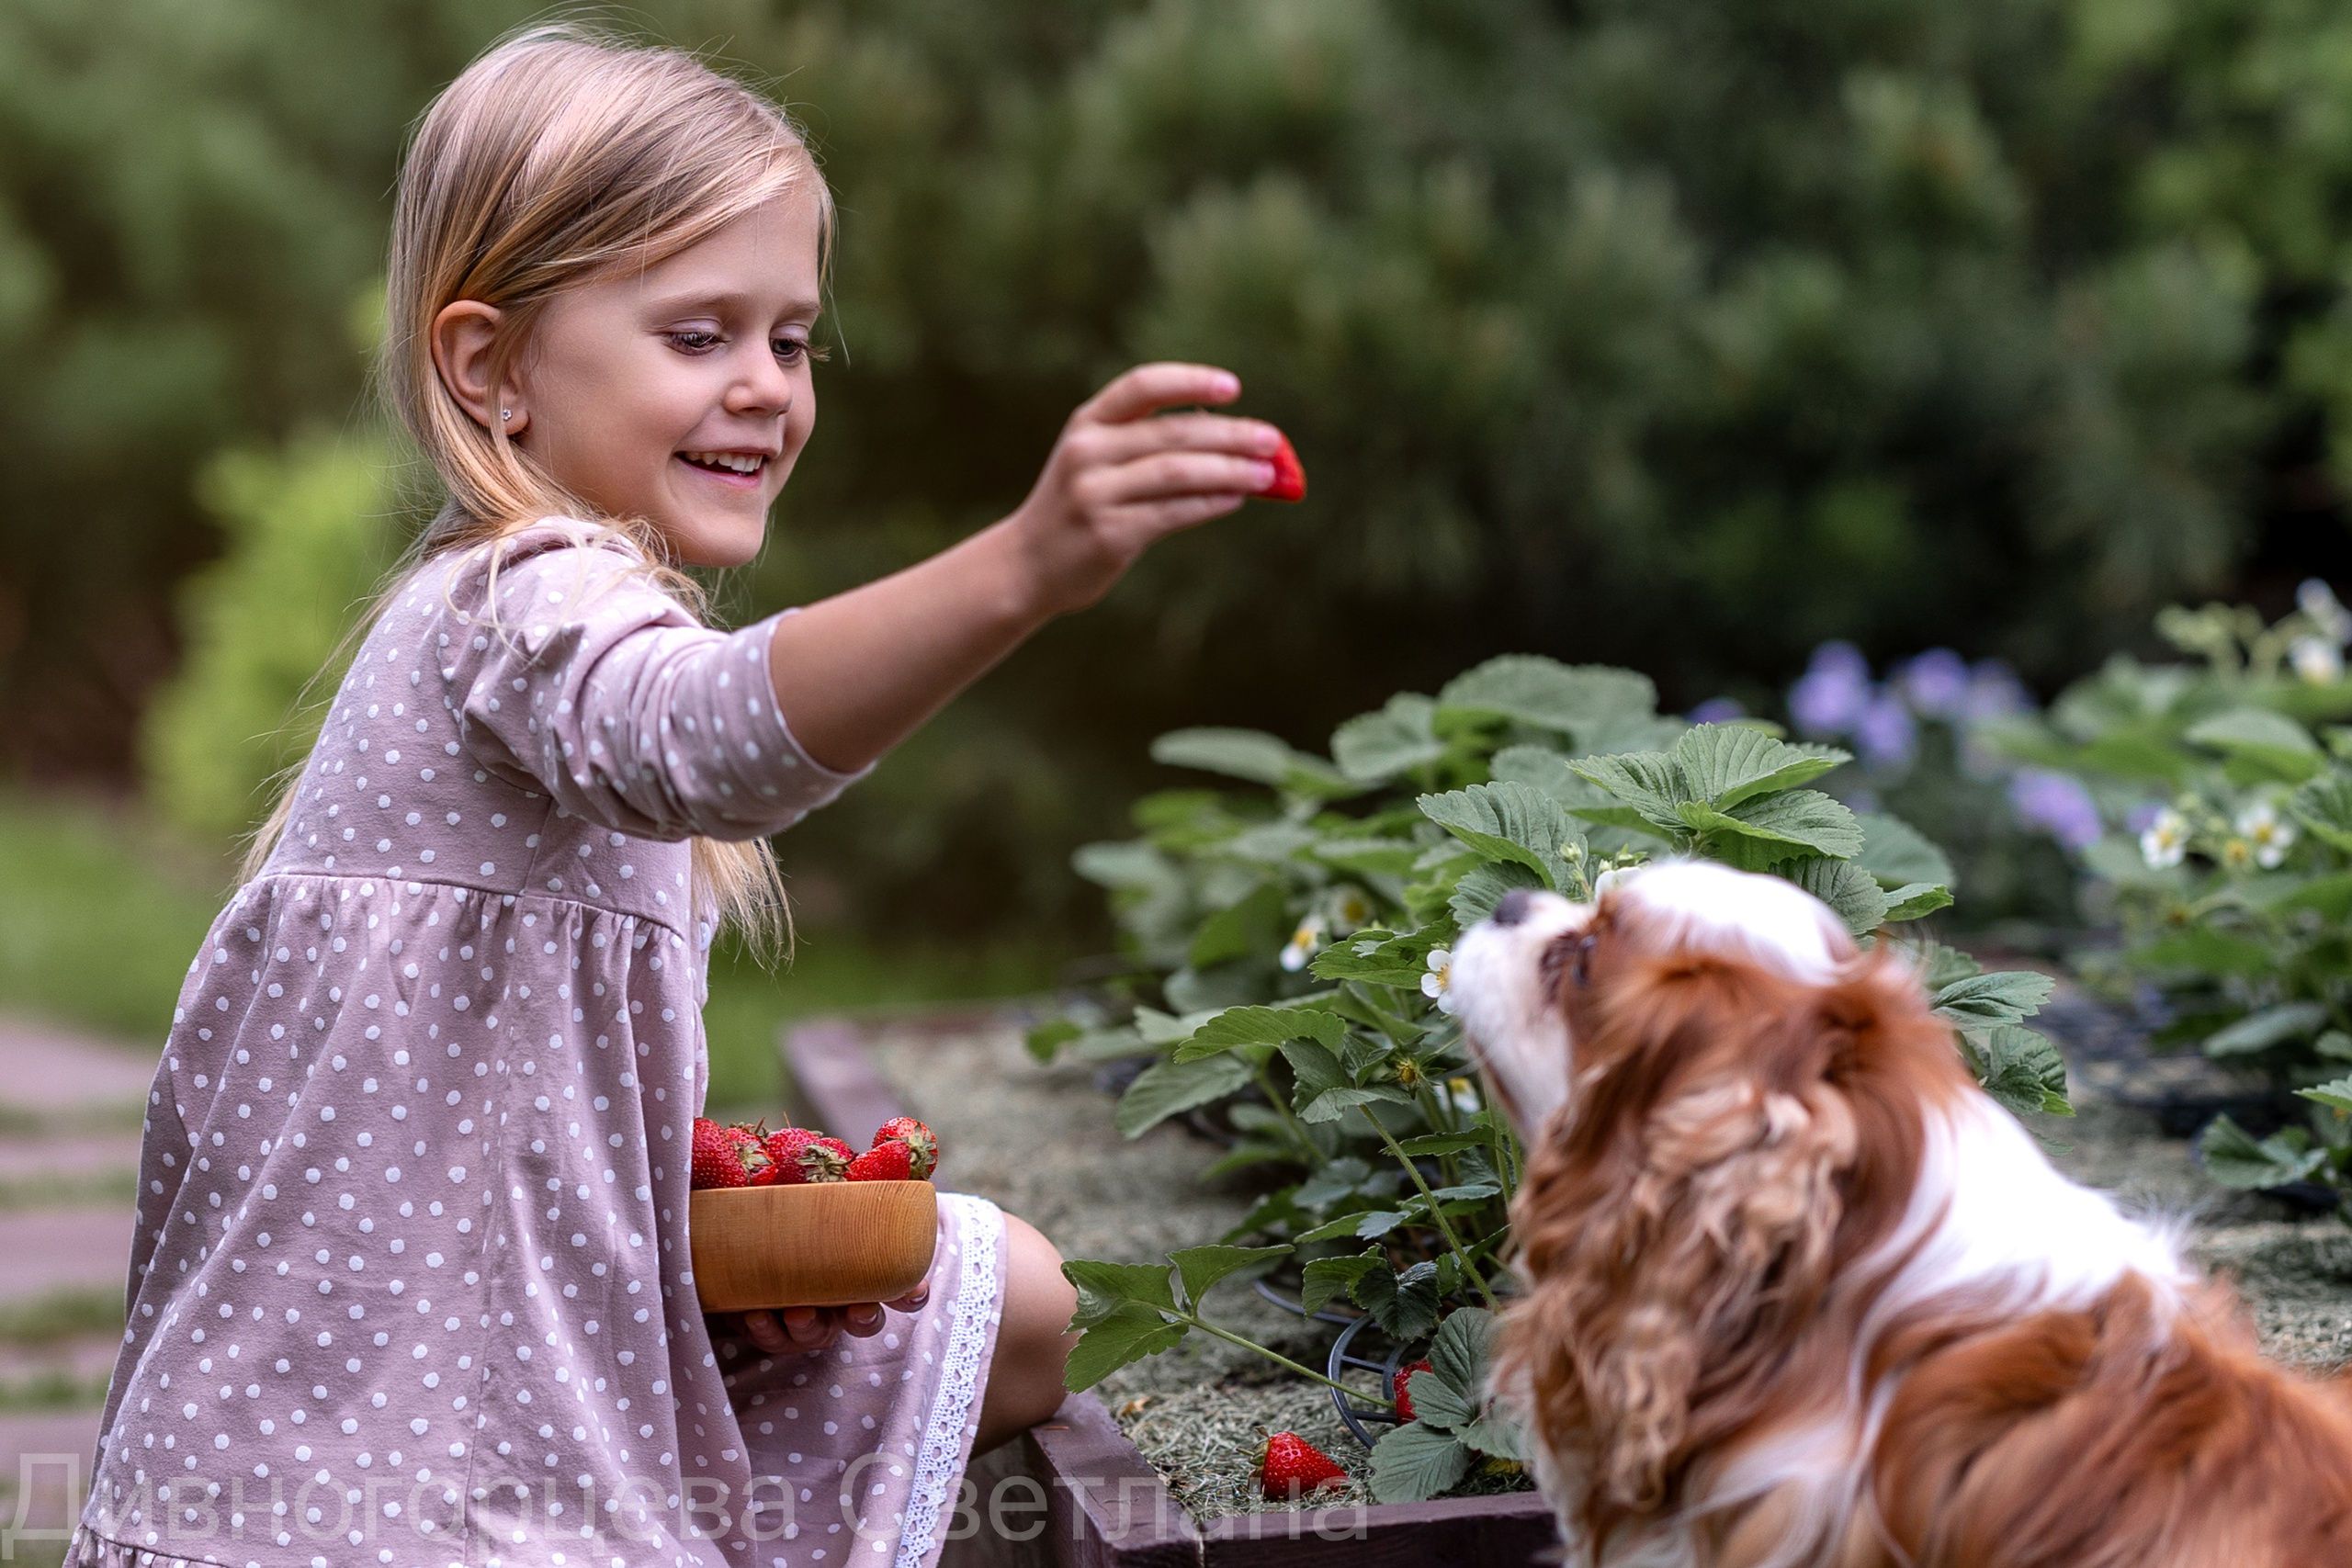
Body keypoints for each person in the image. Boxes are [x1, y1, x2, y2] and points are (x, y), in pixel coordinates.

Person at [68, 26, 1288, 1568]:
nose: (766, 390)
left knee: (1013, 1300)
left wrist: (707, 1249)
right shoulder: (519, 599)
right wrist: (1021, 569)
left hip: (476, 1388)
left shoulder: (528, 616)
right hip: (360, 1481)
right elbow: (698, 735)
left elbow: (517, 1128)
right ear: (488, 365)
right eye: (699, 334)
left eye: (792, 339)